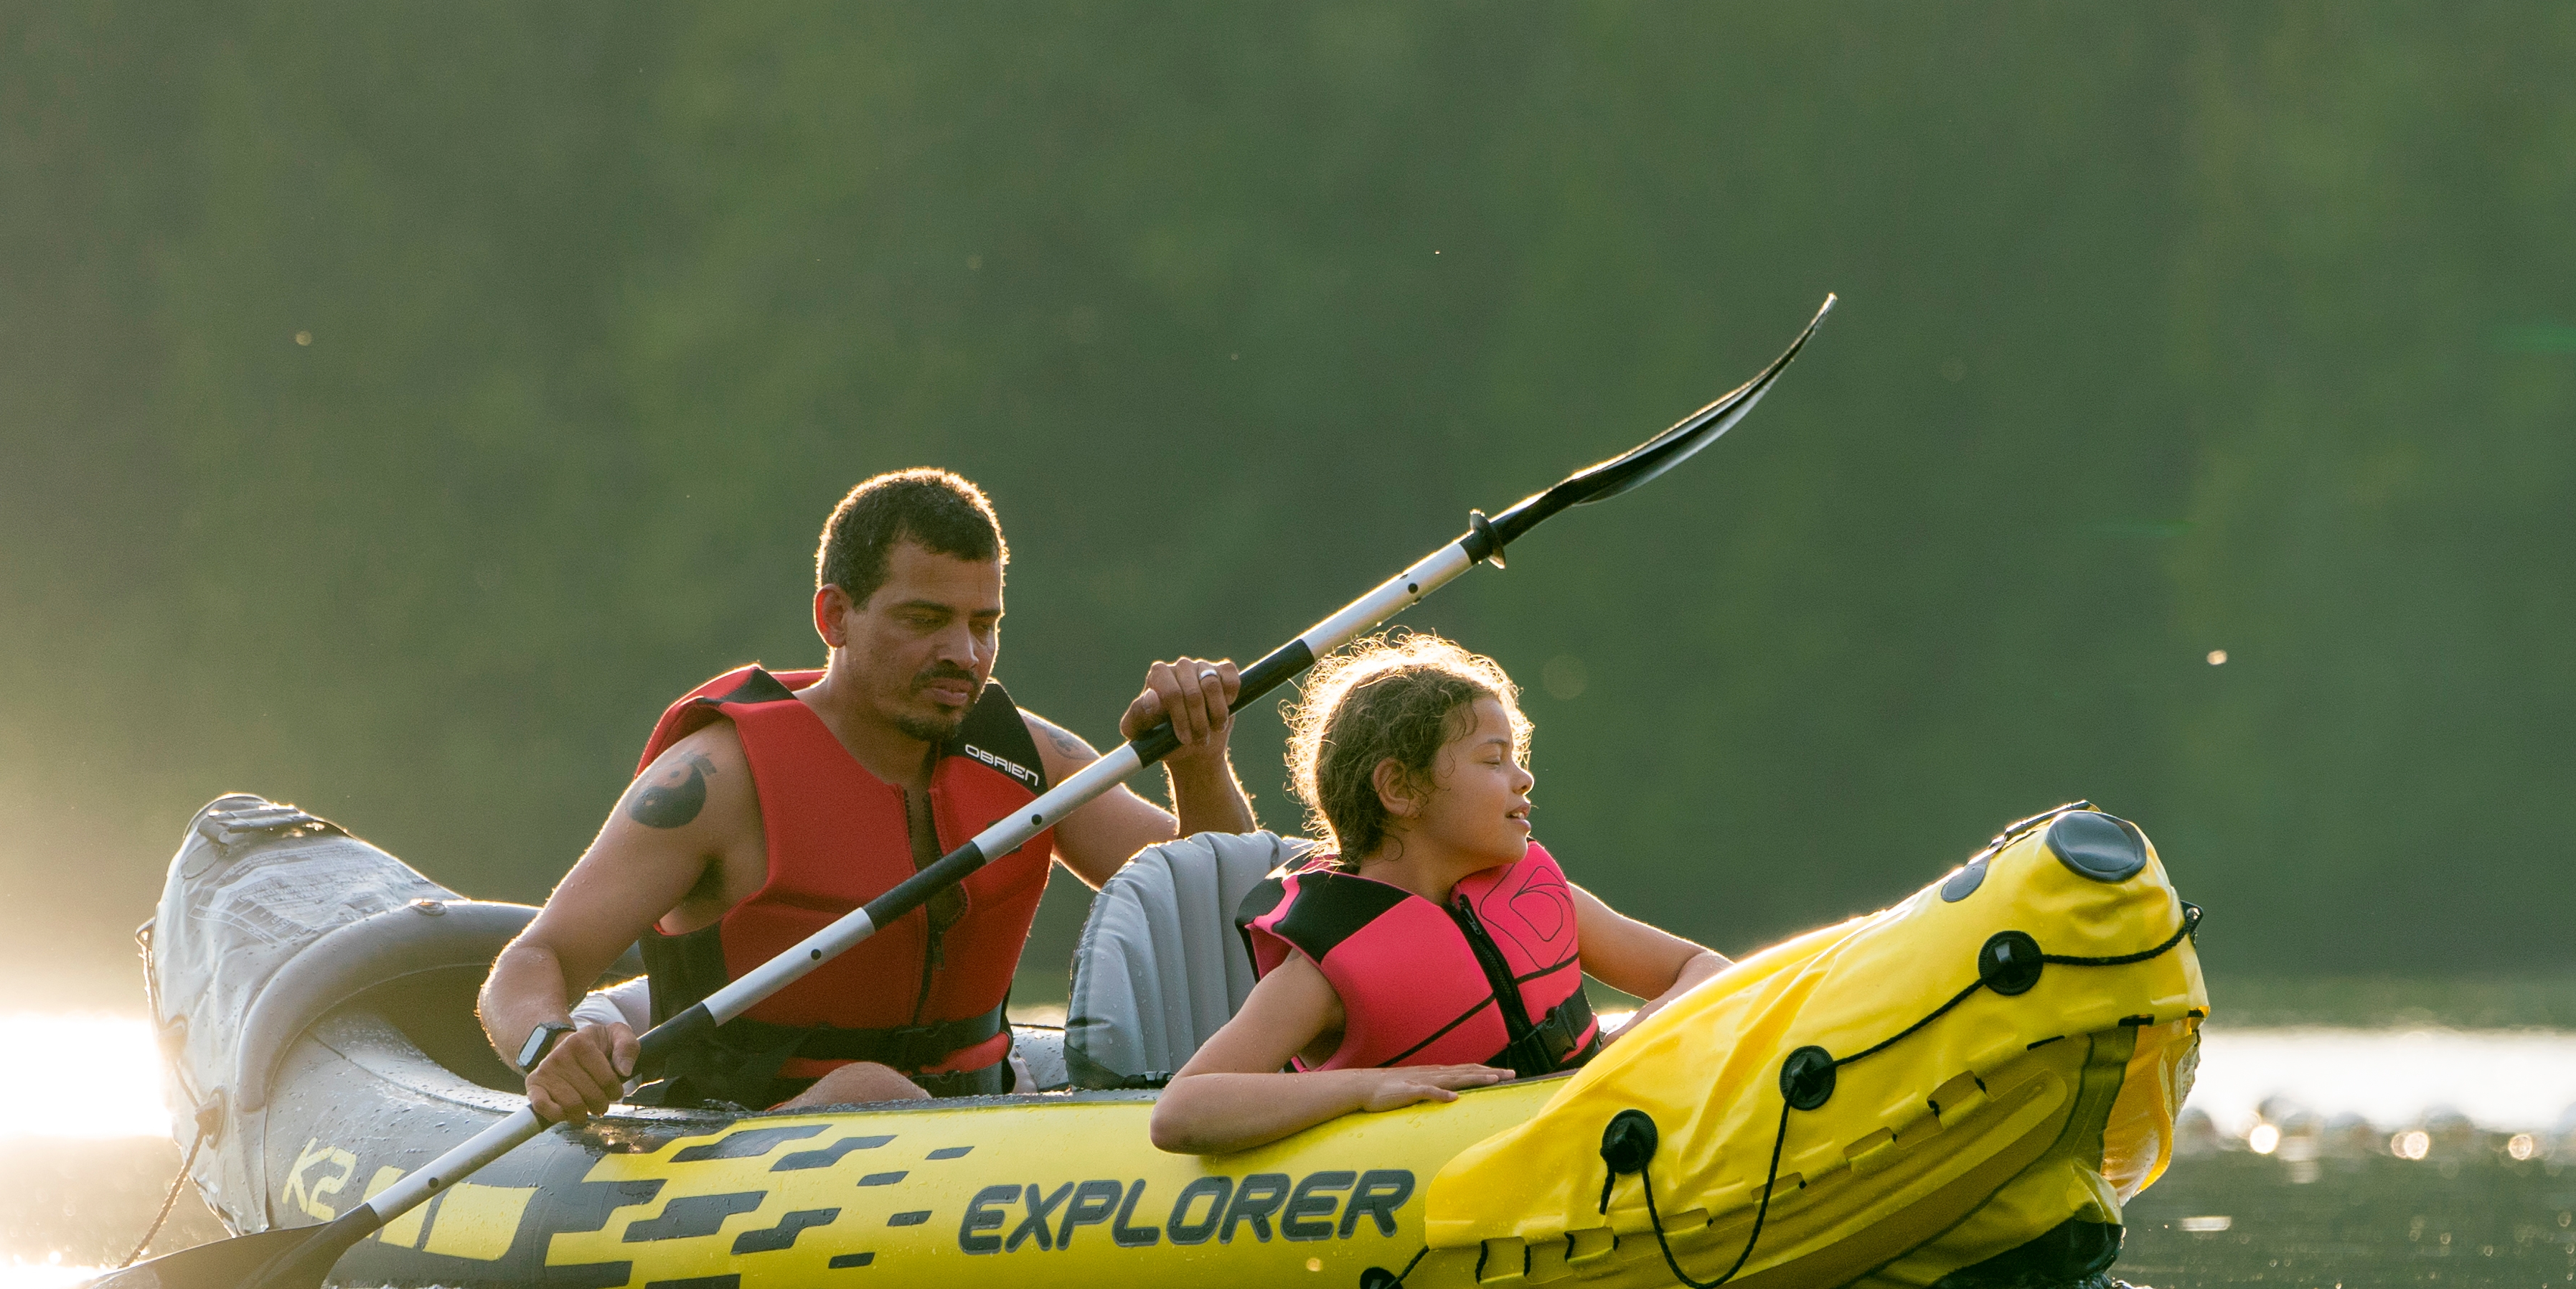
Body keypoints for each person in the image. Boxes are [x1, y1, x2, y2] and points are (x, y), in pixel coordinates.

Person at [482, 468, 1254, 1117]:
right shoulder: (714, 780)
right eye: (925, 620)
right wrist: (548, 1045)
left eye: (983, 623)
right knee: (866, 1089)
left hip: (978, 1114)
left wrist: (1198, 763)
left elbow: (1224, 912)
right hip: (743, 1129)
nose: (963, 653)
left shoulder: (1028, 758)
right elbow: (535, 958)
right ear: (835, 616)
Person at [1147, 634, 1728, 1155]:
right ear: (1400, 789)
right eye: (1493, 760)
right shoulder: (1321, 973)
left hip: (1591, 1145)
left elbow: (1705, 967)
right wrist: (1367, 1088)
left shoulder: (1543, 899)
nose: (1523, 778)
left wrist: (1642, 1029)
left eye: (1516, 758)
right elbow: (1183, 1110)